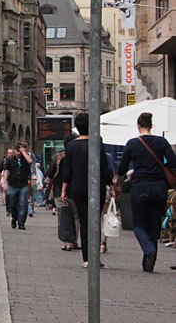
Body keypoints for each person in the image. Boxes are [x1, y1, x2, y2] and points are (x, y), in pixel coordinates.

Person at [115, 111, 176, 273]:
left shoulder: (132, 144)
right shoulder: (162, 142)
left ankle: (149, 251)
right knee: (153, 225)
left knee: (139, 225)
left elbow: (121, 168)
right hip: (160, 187)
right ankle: (149, 263)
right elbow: (173, 162)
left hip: (140, 186)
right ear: (151, 125)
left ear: (138, 126)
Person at [61, 113, 113, 268]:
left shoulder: (71, 146)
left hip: (78, 188)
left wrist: (64, 189)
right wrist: (111, 185)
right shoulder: (97, 143)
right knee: (95, 222)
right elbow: (105, 167)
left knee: (84, 222)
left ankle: (87, 258)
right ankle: (95, 257)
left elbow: (68, 170)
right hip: (97, 187)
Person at [2, 143, 33, 230]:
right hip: (12, 185)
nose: (19, 153)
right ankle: (14, 218)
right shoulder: (10, 160)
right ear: (15, 151)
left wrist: (23, 152)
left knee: (23, 204)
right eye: (17, 151)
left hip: (23, 185)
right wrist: (5, 183)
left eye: (20, 151)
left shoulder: (25, 159)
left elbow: (30, 161)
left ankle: (21, 223)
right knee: (12, 204)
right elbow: (6, 171)